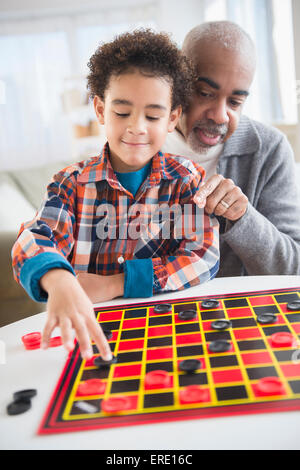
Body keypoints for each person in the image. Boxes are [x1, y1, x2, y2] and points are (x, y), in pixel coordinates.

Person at [12, 29, 219, 360]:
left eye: (152, 115)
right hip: (88, 337)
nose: (136, 126)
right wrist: (58, 279)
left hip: (172, 335)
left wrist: (115, 284)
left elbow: (203, 257)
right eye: (122, 112)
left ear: (173, 118)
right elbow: (33, 240)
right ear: (99, 109)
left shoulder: (186, 181)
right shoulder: (70, 185)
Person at [163, 21, 300, 277]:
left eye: (235, 102)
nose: (220, 116)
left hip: (239, 313)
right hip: (158, 311)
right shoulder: (139, 144)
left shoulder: (269, 150)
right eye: (204, 93)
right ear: (177, 82)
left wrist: (242, 217)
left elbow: (293, 268)